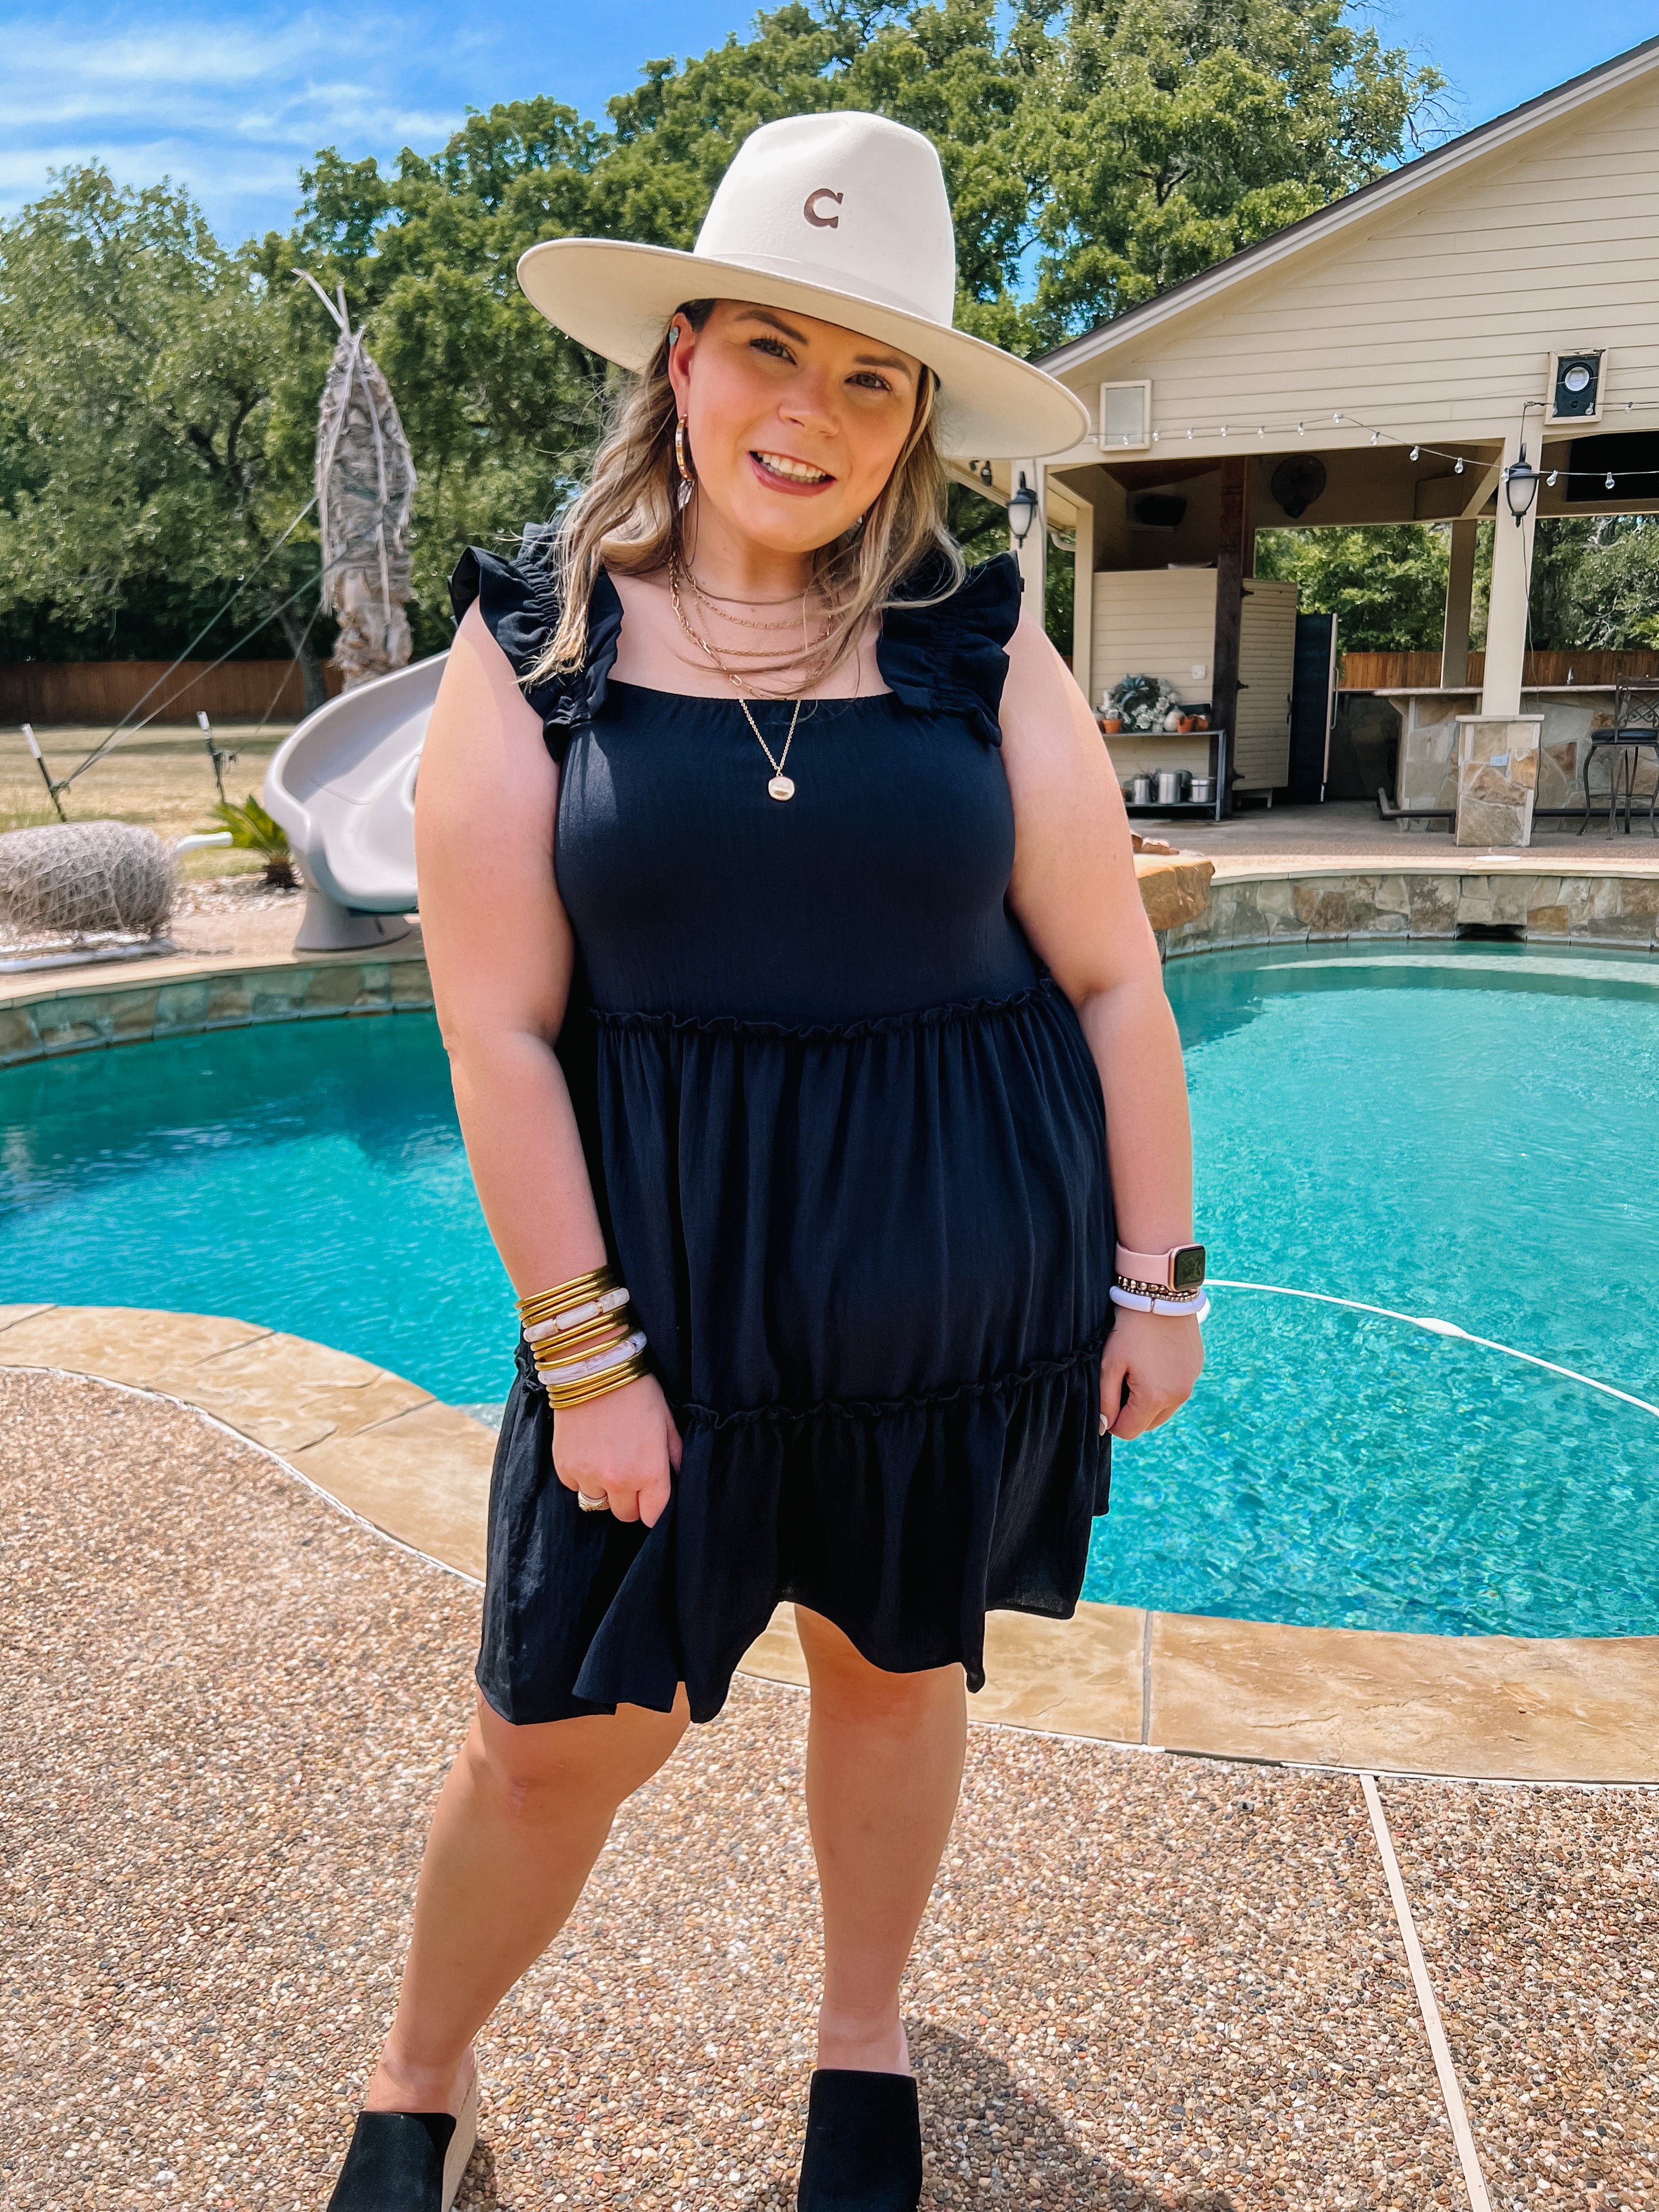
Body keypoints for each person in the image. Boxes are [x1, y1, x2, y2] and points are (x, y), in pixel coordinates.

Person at [326, 109, 1204, 2212]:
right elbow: (498, 1033)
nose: (811, 414)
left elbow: (1112, 978)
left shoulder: (981, 645)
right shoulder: (532, 649)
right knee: (549, 1738)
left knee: (895, 1685)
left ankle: (862, 2041)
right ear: (685, 356)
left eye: (872, 376)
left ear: (914, 424)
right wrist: (587, 1360)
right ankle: (421, 2074)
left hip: (954, 1316)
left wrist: (1159, 1277)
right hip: (666, 1321)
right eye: (771, 350)